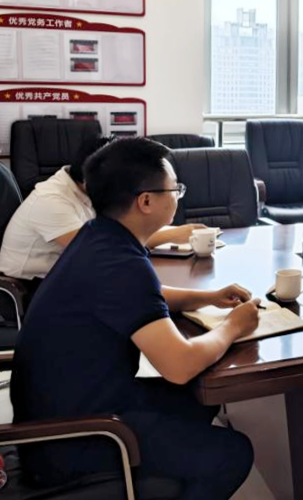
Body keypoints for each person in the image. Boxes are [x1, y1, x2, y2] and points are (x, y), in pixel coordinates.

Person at [11, 137, 259, 499]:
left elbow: (140, 295)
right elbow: (179, 365)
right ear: (146, 201)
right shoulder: (119, 261)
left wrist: (207, 297)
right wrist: (233, 327)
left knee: (197, 399)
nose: (178, 196)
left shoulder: (99, 238)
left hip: (64, 409)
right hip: (74, 437)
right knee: (232, 454)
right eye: (175, 189)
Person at [0, 136, 202, 283]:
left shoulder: (86, 191)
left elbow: (117, 234)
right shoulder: (51, 201)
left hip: (69, 272)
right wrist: (174, 235)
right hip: (29, 285)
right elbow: (98, 247)